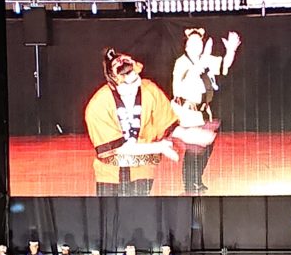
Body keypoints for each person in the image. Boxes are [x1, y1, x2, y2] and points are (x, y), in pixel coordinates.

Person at [83, 46, 214, 197]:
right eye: (127, 84)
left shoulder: (149, 90)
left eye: (136, 80)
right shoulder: (98, 106)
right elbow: (119, 148)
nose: (134, 87)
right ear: (113, 83)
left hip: (143, 171)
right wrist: (159, 147)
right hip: (110, 175)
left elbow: (167, 124)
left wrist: (189, 134)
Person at [170, 27, 241, 194]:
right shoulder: (181, 63)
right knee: (193, 150)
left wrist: (231, 50)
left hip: (203, 111)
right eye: (192, 43)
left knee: (206, 147)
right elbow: (186, 81)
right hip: (187, 111)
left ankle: (197, 180)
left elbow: (224, 66)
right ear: (186, 46)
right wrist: (202, 62)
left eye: (198, 42)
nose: (196, 46)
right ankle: (189, 186)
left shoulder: (205, 59)